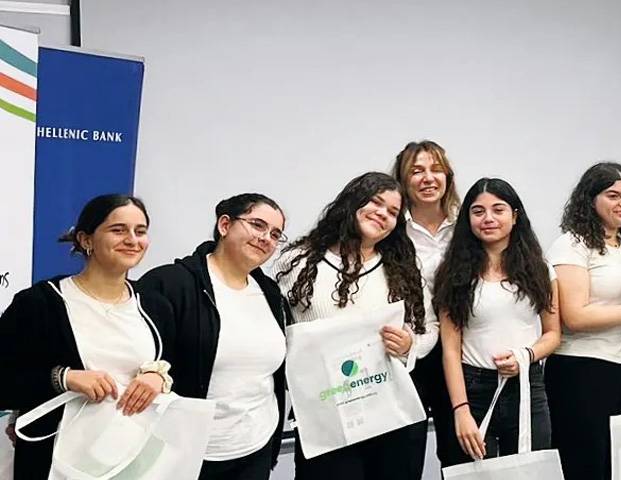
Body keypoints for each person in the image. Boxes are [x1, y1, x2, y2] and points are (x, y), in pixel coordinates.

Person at [275, 171, 438, 480]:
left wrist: (410, 346)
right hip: (325, 414)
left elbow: (429, 325)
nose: (383, 213)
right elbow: (276, 330)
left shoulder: (402, 268)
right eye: (375, 202)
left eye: (393, 212)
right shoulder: (297, 261)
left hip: (390, 414)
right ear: (352, 202)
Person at [0, 194, 174, 480]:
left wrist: (159, 377)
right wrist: (64, 378)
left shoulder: (156, 305)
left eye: (140, 231)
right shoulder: (40, 303)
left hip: (132, 461)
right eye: (118, 230)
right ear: (85, 239)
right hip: (54, 463)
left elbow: (174, 365)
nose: (132, 240)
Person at [139, 193, 289, 480]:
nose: (266, 238)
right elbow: (139, 358)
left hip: (255, 447)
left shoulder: (270, 293)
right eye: (257, 225)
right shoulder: (170, 283)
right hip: (185, 452)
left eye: (275, 234)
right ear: (224, 225)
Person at [545, 163, 621, 480]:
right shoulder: (571, 245)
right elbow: (575, 316)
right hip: (582, 372)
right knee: (589, 466)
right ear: (591, 199)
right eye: (613, 195)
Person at [433, 178, 561, 465]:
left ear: (514, 216)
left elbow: (553, 334)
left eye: (498, 210)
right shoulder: (452, 274)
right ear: (468, 220)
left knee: (532, 472)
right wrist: (461, 410)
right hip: (472, 389)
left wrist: (525, 356)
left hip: (527, 385)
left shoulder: (541, 270)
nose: (488, 218)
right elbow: (450, 350)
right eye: (478, 212)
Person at [390, 139, 462, 471]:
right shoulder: (390, 228)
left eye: (436, 169)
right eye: (416, 171)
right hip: (408, 353)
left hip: (460, 351)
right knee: (403, 456)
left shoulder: (465, 226)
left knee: (460, 454)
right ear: (403, 180)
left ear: (448, 177)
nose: (428, 178)